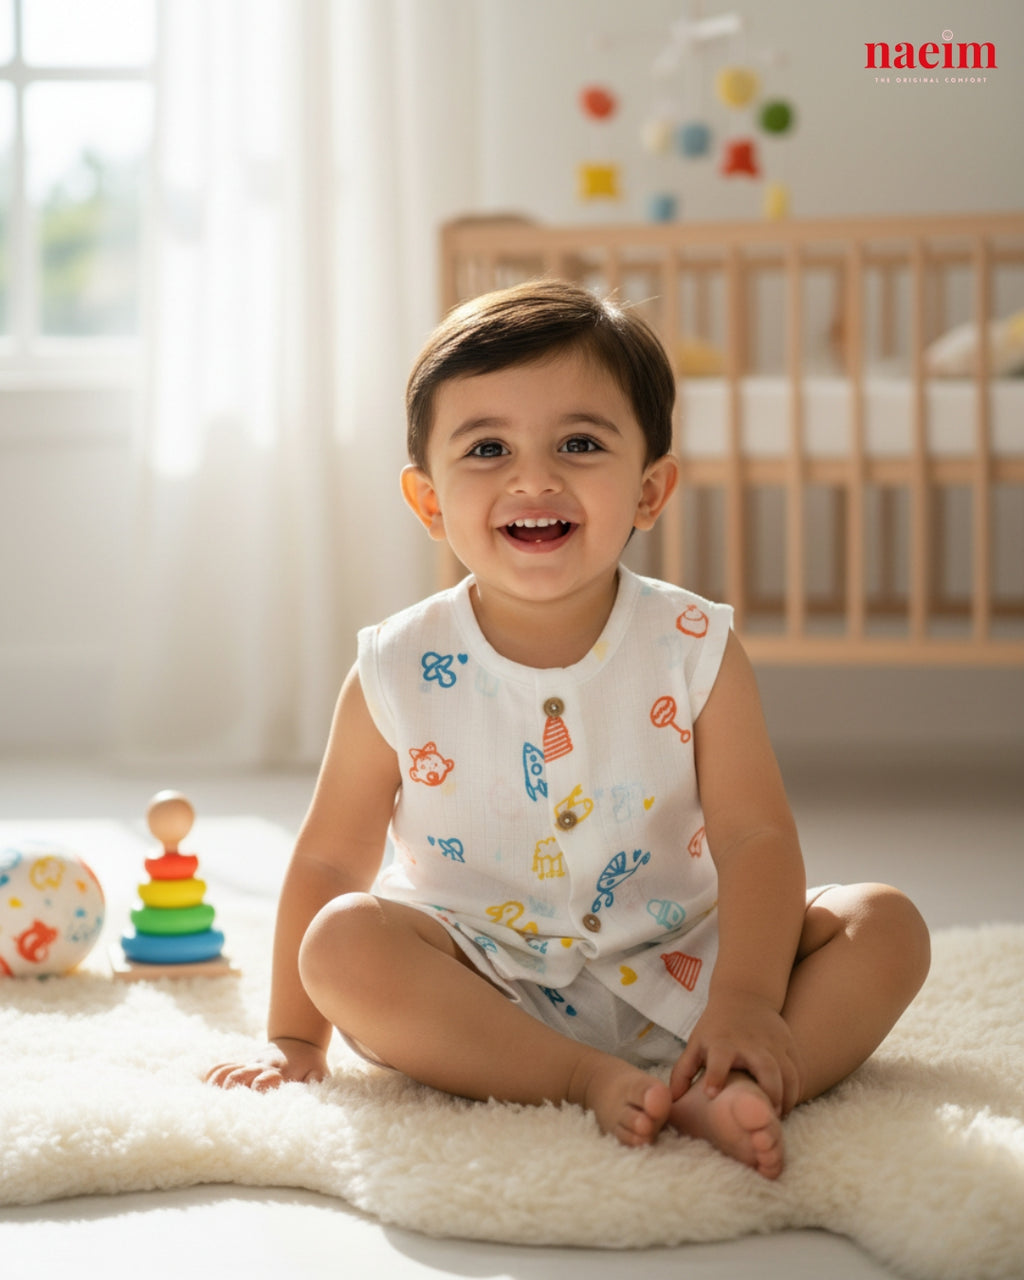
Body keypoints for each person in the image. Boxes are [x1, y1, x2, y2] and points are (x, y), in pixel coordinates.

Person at [207, 280, 930, 1179]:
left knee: (886, 923)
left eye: (580, 444)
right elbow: (326, 862)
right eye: (488, 448)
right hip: (481, 982)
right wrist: (292, 1037)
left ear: (651, 490)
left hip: (684, 960)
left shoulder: (693, 645)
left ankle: (737, 1067)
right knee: (343, 942)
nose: (534, 477)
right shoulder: (395, 665)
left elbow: (754, 835)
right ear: (430, 502)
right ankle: (577, 1078)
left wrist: (745, 996)